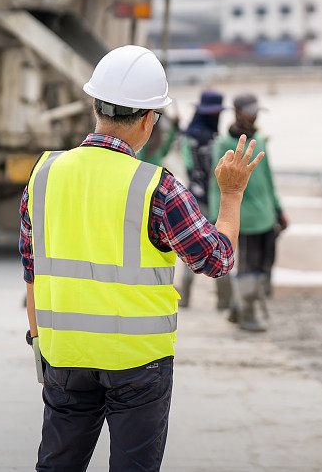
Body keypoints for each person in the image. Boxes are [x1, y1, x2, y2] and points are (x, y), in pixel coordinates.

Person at [19, 45, 264, 471]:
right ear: (151, 119)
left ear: (96, 105)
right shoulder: (157, 188)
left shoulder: (43, 175)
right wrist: (232, 195)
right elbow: (217, 259)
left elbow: (32, 273)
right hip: (138, 366)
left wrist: (40, 344)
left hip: (64, 357)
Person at [209, 93, 286, 332]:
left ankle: (237, 306)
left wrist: (277, 208)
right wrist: (216, 216)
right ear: (238, 112)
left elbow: (268, 177)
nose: (253, 116)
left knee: (263, 264)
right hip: (244, 215)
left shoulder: (260, 140)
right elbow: (217, 184)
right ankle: (247, 313)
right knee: (247, 266)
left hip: (265, 213)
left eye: (255, 112)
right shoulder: (224, 144)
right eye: (249, 111)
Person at [176, 90, 234, 309]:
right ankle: (224, 301)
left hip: (192, 199)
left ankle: (187, 298)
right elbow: (215, 172)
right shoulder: (212, 141)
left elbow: (189, 166)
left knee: (192, 248)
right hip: (212, 201)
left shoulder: (188, 136)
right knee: (220, 246)